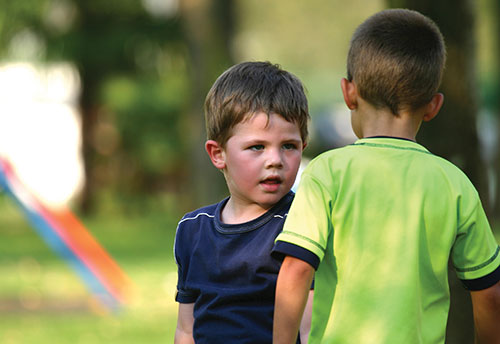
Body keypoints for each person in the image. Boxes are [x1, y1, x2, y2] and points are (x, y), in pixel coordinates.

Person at [272, 9, 500, 344]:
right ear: (434, 105)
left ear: (349, 92)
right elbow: (491, 294)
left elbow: (296, 269)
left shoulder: (326, 173)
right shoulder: (456, 185)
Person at [174, 61, 312, 344]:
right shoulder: (192, 230)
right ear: (218, 154)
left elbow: (310, 331)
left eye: (289, 146)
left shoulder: (303, 222)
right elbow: (186, 330)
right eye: (257, 147)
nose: (275, 160)